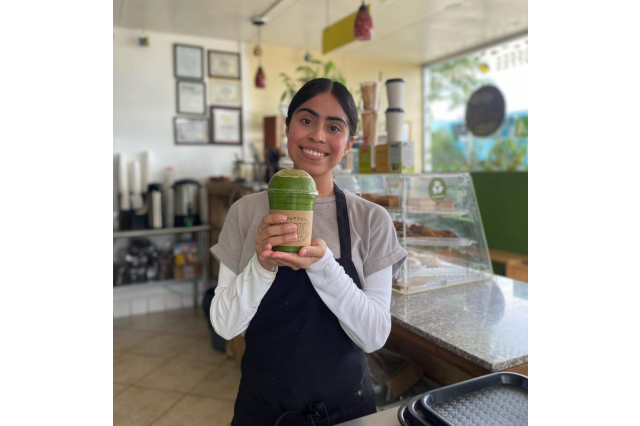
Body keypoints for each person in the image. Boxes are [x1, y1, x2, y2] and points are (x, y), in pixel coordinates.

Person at [210, 78, 407, 426]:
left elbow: (374, 335)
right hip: (263, 410)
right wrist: (262, 264)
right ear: (287, 129)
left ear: (348, 144)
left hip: (346, 410)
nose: (317, 135)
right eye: (306, 120)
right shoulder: (245, 211)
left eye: (334, 126)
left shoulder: (371, 219)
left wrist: (324, 265)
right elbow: (225, 325)